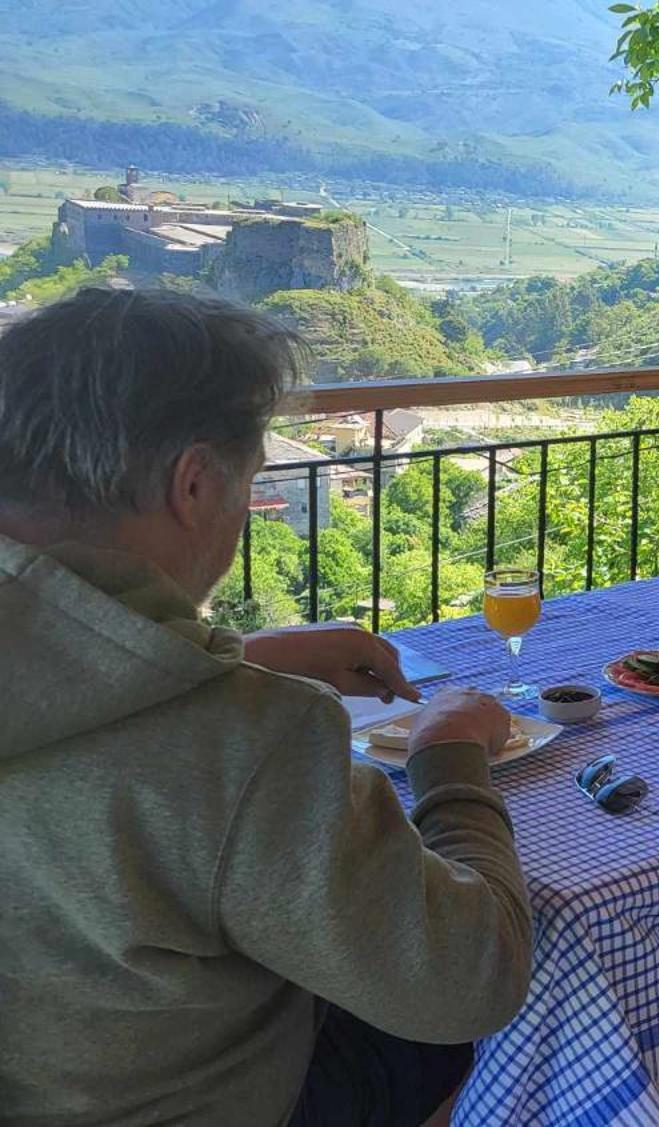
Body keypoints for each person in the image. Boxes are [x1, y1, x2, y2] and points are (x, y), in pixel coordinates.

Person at [0, 288, 533, 1127]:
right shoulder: (252, 741)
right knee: (419, 1028)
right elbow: (473, 979)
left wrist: (246, 653)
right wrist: (451, 754)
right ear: (196, 482)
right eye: (249, 485)